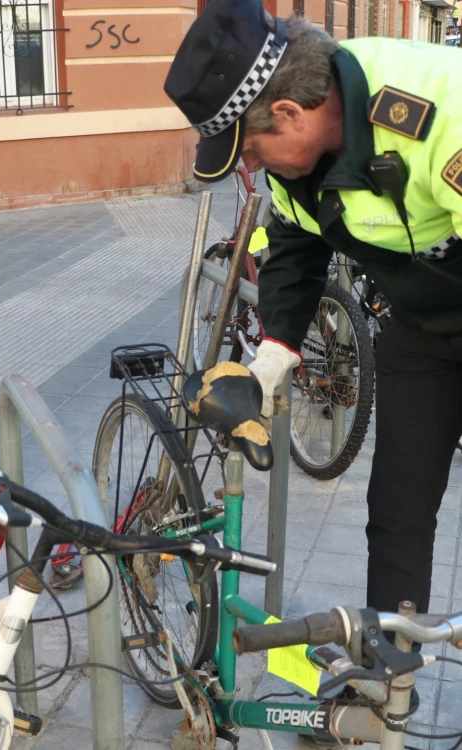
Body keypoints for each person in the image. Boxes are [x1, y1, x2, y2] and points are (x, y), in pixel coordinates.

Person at [165, 0, 462, 715]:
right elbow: (296, 250)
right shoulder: (296, 162)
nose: (253, 167)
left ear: (293, 115)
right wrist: (269, 366)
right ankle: (386, 684)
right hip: (426, 325)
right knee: (397, 503)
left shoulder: (437, 111)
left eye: (254, 150)